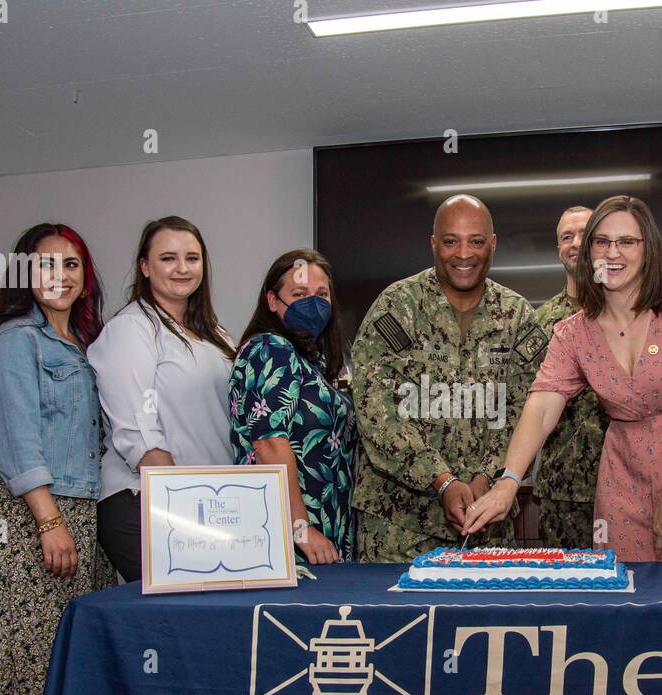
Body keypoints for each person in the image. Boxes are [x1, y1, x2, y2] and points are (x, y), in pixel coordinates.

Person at [462, 195, 662, 561]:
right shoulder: (574, 332)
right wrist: (508, 481)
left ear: (648, 250)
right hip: (624, 483)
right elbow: (543, 404)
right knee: (627, 599)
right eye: (602, 242)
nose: (613, 253)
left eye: (627, 242)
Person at [0, 223, 117, 695]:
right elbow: (16, 442)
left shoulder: (85, 342)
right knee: (30, 649)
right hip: (26, 509)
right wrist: (48, 520)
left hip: (77, 506)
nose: (61, 275)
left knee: (61, 645)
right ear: (25, 275)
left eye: (72, 264)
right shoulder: (13, 340)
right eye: (46, 264)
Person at [350, 194, 543, 562]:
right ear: (433, 243)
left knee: (480, 622)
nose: (464, 253)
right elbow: (376, 414)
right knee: (401, 622)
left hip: (488, 526)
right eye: (451, 240)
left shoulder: (517, 316)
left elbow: (527, 411)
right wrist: (442, 480)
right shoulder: (396, 307)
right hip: (399, 527)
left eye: (476, 241)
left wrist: (487, 478)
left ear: (493, 244)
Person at [89, 216, 237, 581]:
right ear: (145, 266)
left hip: (210, 505)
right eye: (168, 258)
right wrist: (186, 512)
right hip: (149, 502)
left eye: (192, 257)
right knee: (181, 622)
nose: (182, 268)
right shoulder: (131, 329)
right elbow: (139, 433)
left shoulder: (216, 335)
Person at [230, 249, 356, 563]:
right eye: (299, 294)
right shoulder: (269, 349)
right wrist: (300, 529)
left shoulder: (321, 363)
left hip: (330, 529)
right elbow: (270, 443)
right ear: (272, 301)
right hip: (291, 537)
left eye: (321, 294)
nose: (311, 303)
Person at [533, 206, 609, 548]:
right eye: (567, 236)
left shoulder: (626, 312)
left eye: (586, 234)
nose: (576, 243)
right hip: (561, 488)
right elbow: (527, 401)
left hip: (625, 480)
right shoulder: (539, 321)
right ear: (558, 248)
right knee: (563, 592)